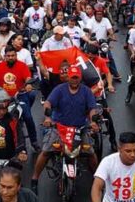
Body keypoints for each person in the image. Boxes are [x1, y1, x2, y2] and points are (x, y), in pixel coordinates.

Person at [31, 66, 98, 195]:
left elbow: (92, 109)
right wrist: (48, 117)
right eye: (72, 77)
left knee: (90, 152)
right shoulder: (59, 90)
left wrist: (93, 121)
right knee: (46, 151)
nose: (74, 80)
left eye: (76, 77)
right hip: (59, 127)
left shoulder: (86, 92)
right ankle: (35, 179)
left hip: (80, 129)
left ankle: (97, 179)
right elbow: (48, 103)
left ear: (80, 78)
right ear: (68, 78)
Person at [0, 48, 38, 151]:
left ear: (16, 56)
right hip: (2, 97)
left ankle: (34, 142)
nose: (11, 57)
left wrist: (28, 84)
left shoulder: (22, 65)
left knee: (28, 117)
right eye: (8, 56)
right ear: (5, 57)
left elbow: (28, 78)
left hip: (19, 95)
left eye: (13, 55)